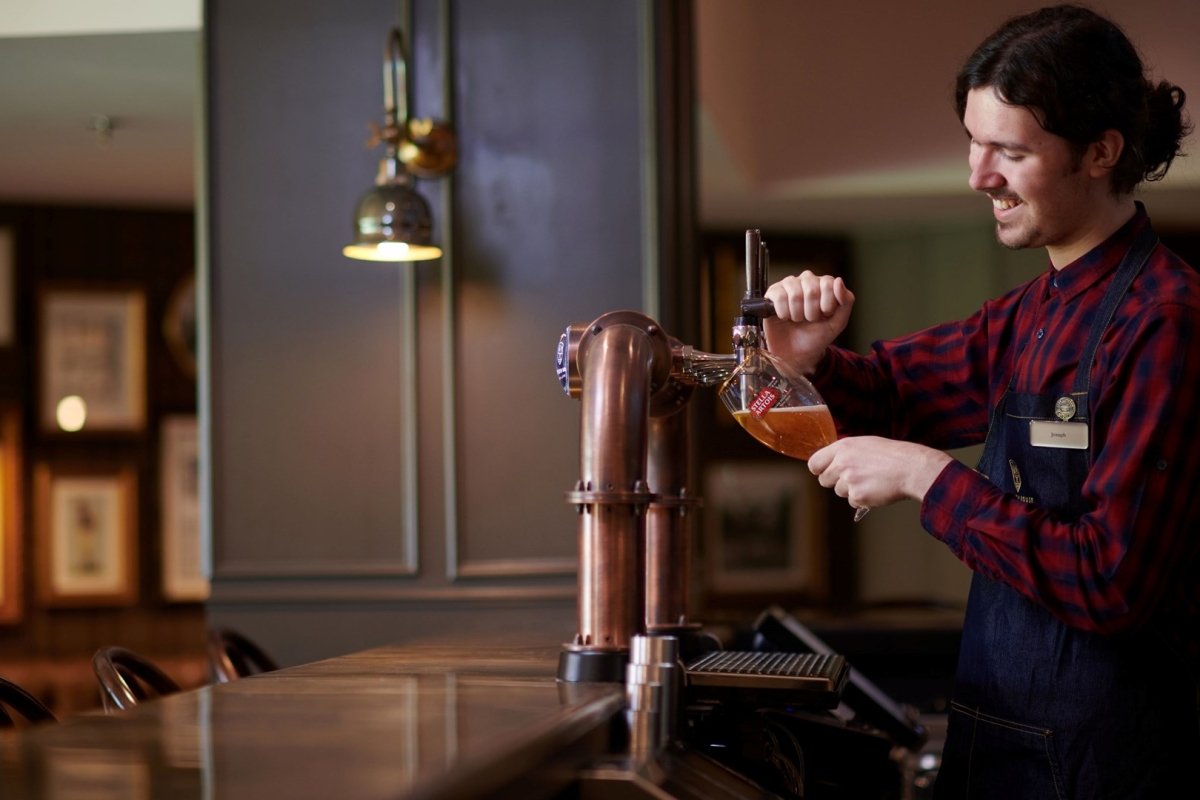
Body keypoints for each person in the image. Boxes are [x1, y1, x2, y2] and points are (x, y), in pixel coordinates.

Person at [763, 5, 1199, 798]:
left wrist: (930, 479)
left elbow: (1111, 580)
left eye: (1010, 150)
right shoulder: (1031, 312)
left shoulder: (1165, 322)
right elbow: (890, 396)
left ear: (1100, 151)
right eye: (974, 141)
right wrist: (806, 361)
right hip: (994, 748)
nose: (978, 175)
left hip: (1105, 768)